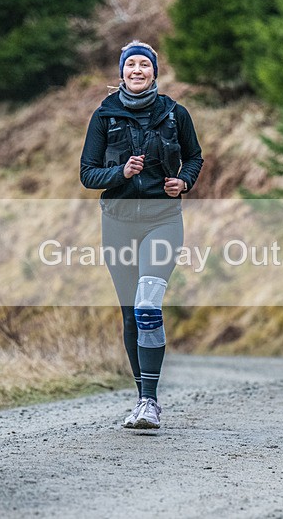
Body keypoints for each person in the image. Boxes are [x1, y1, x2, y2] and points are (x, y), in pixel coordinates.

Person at [80, 40, 203, 430]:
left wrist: (183, 182)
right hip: (117, 222)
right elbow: (87, 174)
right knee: (131, 313)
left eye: (144, 65)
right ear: (121, 73)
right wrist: (121, 174)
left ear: (154, 72)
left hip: (162, 219)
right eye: (130, 64)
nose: (137, 70)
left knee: (148, 305)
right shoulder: (104, 116)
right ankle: (141, 397)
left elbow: (195, 157)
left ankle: (150, 402)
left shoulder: (173, 113)